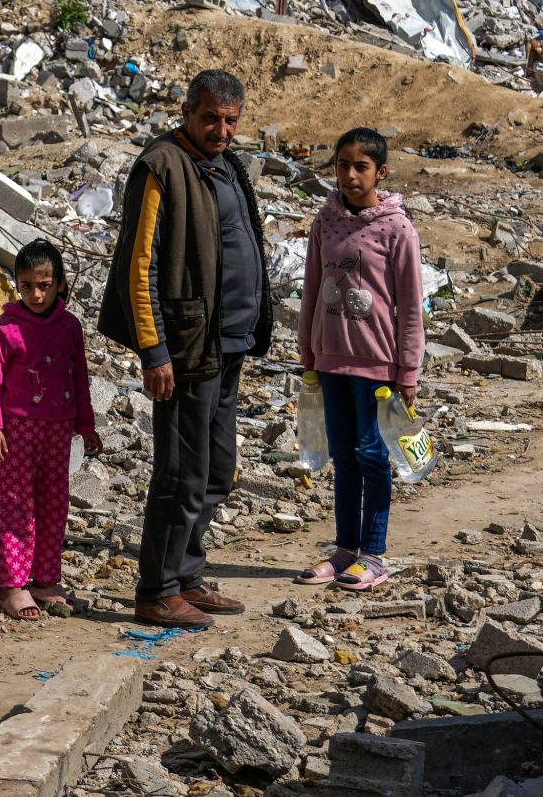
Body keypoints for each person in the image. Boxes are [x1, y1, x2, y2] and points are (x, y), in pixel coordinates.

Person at [101, 69, 271, 629]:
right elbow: (139, 264)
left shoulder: (225, 165)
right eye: (210, 119)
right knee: (181, 473)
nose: (221, 130)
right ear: (186, 113)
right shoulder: (162, 166)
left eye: (230, 121)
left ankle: (188, 575)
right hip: (186, 351)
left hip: (227, 348)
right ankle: (157, 589)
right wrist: (153, 350)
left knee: (218, 469)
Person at [294, 127, 426, 591]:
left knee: (373, 455)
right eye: (343, 165)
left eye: (361, 166)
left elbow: (411, 306)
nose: (350, 175)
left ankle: (374, 553)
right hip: (330, 361)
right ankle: (345, 549)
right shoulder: (324, 222)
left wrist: (408, 371)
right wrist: (307, 352)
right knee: (343, 456)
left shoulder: (397, 228)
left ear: (380, 172)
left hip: (377, 365)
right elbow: (311, 288)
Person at [0, 238, 101, 622]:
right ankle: (12, 584)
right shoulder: (7, 327)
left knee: (54, 502)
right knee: (16, 503)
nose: (36, 294)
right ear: (17, 283)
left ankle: (46, 579)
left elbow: (78, 376)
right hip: (17, 428)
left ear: (60, 284)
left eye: (44, 285)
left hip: (59, 429)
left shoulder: (69, 327)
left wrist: (86, 424)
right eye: (28, 285)